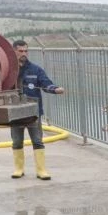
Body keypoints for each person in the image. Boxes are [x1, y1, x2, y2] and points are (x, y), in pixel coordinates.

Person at [10, 40, 65, 180]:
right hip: (15, 112)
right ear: (13, 51)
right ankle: (19, 169)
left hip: (33, 113)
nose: (23, 54)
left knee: (38, 141)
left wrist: (55, 89)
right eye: (20, 51)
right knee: (17, 141)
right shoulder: (8, 70)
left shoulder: (35, 69)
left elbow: (46, 84)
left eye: (25, 51)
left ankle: (41, 170)